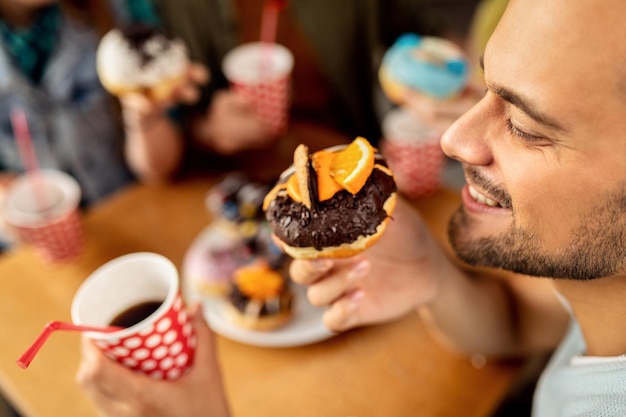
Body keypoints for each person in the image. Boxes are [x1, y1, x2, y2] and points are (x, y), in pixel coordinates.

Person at [77, 0, 626, 415]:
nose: (453, 140)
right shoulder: (598, 293)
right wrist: (430, 275)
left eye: (526, 126)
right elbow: (518, 321)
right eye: (485, 87)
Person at [121, 0, 456, 182]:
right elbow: (156, 167)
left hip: (349, 168)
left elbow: (436, 42)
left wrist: (444, 98)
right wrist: (205, 130)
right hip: (231, 182)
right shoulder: (168, 10)